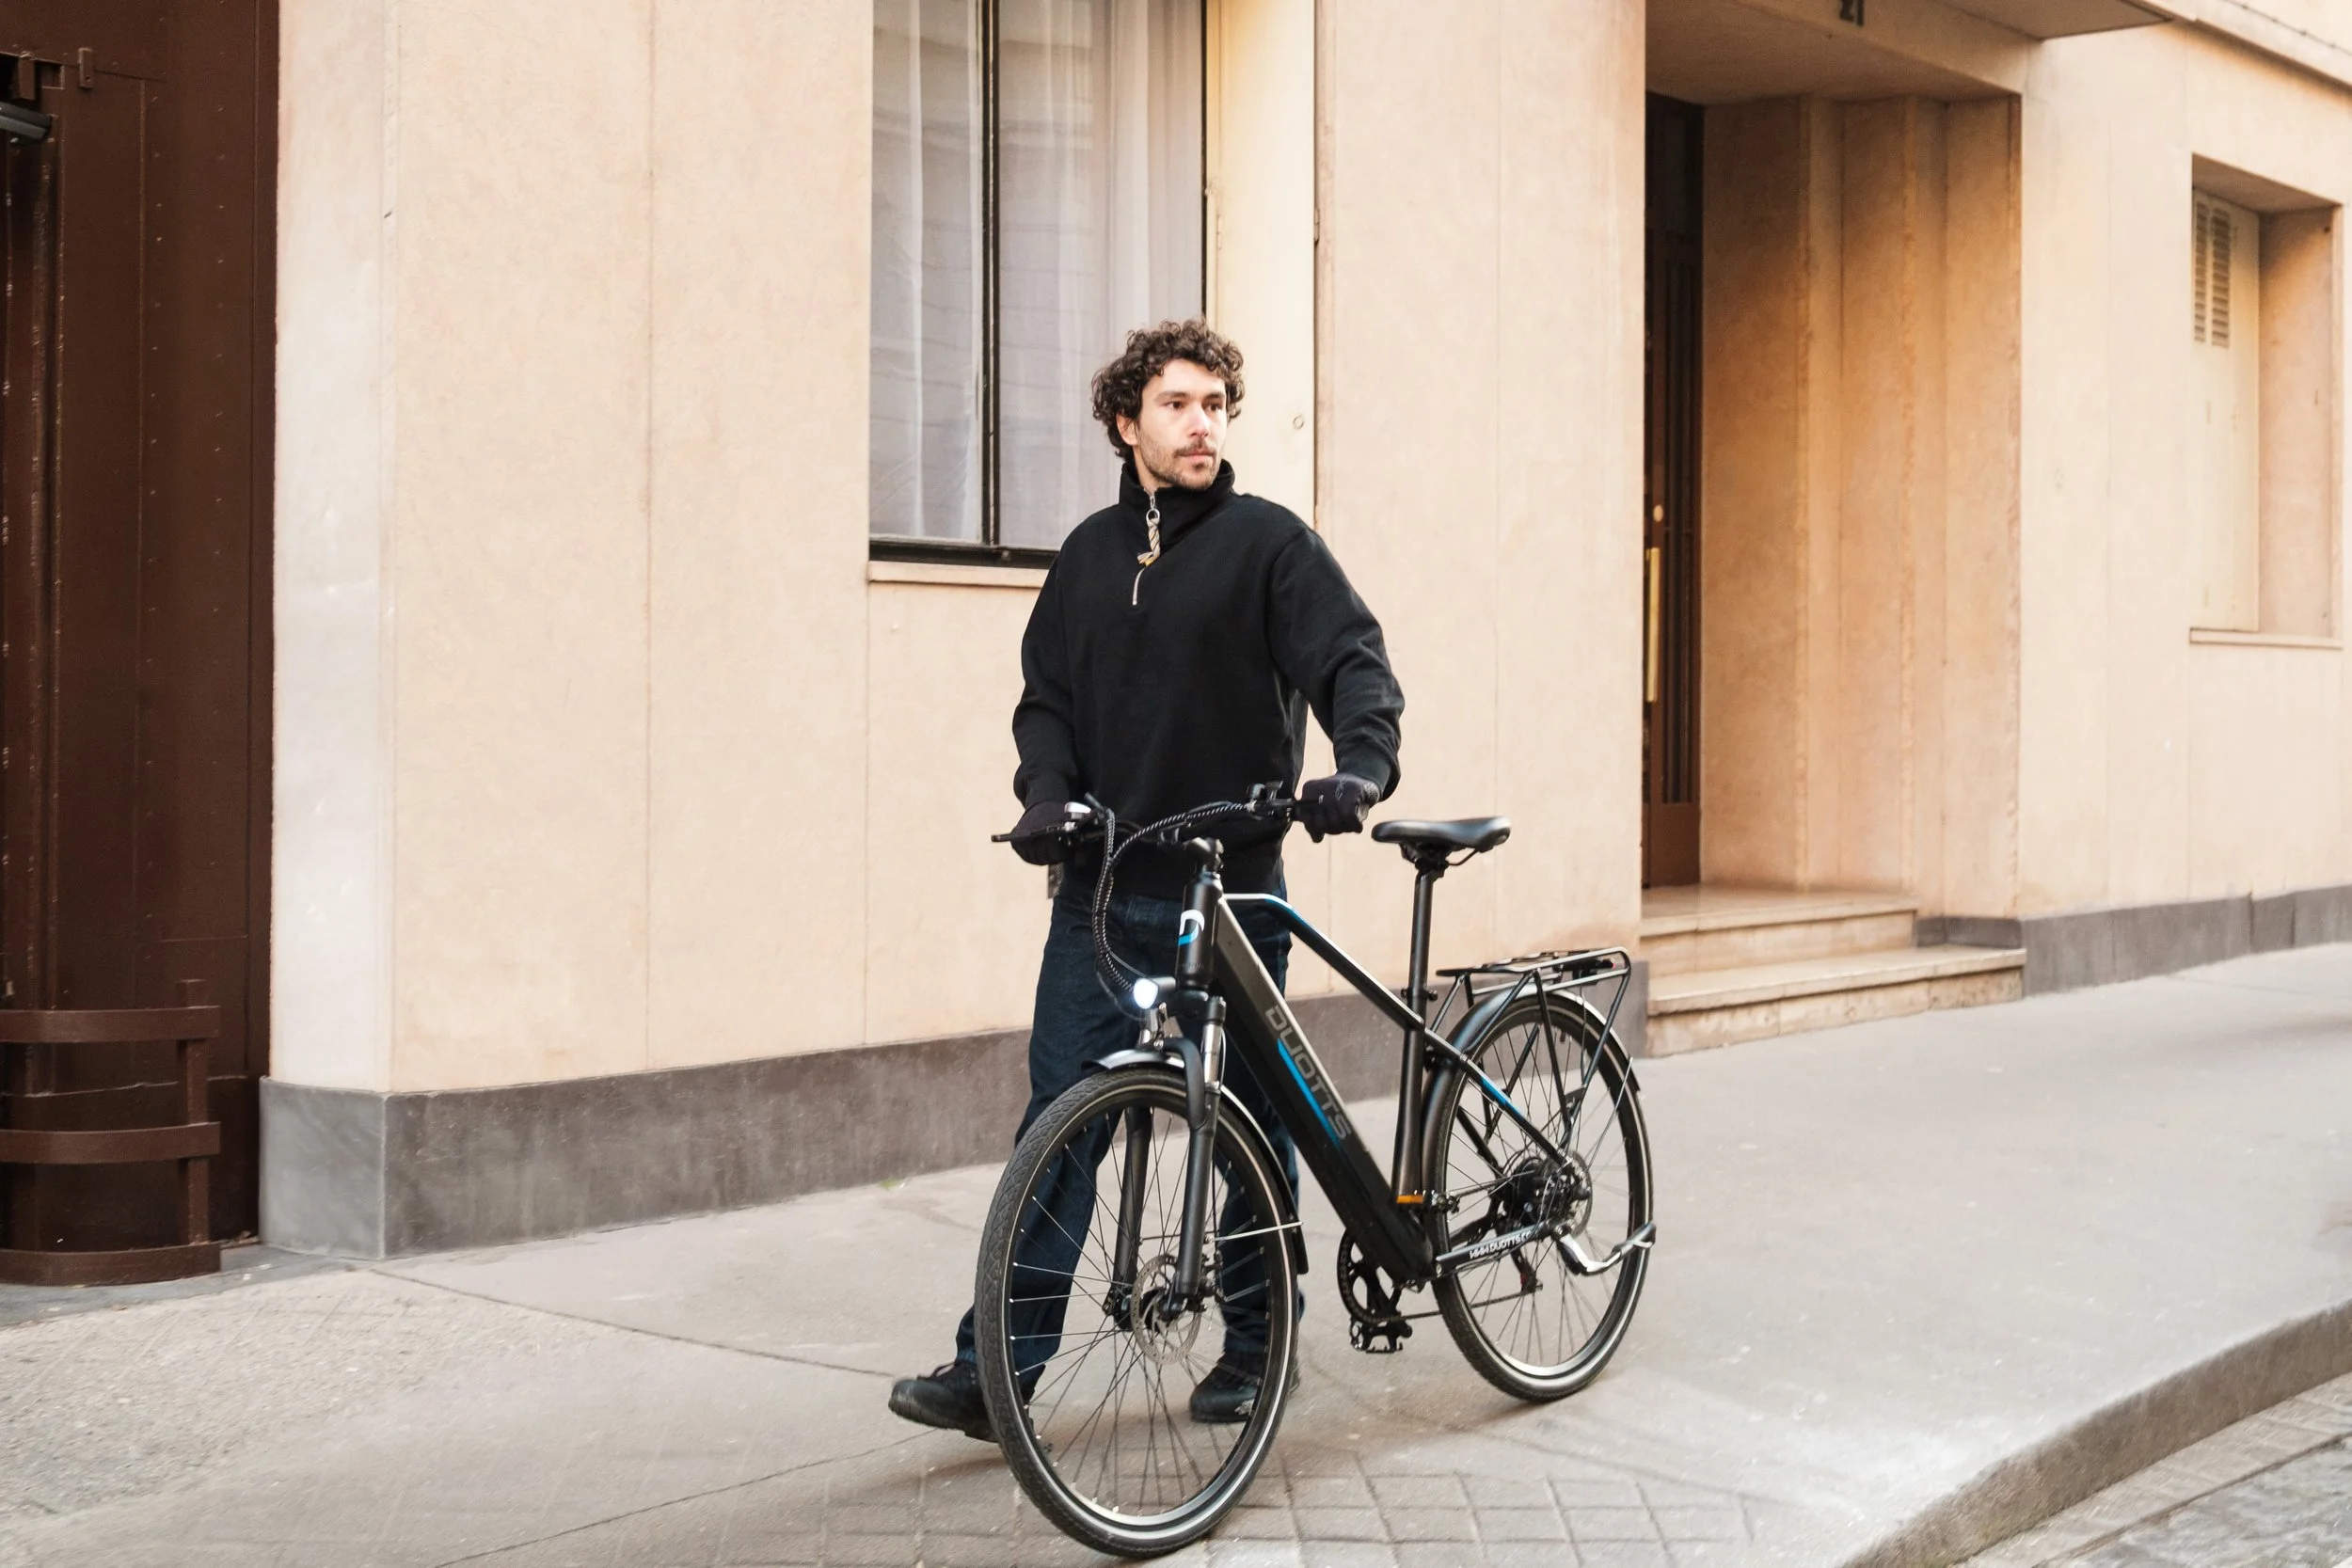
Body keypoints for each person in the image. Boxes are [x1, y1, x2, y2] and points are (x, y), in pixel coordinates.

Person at [887, 319, 1404, 1438]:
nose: (1200, 423)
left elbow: (1351, 663)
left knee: (1249, 1129)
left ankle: (1260, 1345)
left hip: (1232, 893)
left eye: (1215, 403)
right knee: (1059, 1130)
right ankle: (998, 1369)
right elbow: (1046, 700)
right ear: (1127, 423)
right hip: (1101, 893)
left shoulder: (1271, 546)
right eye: (1176, 404)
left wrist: (1359, 765)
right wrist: (1044, 792)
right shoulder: (1084, 555)